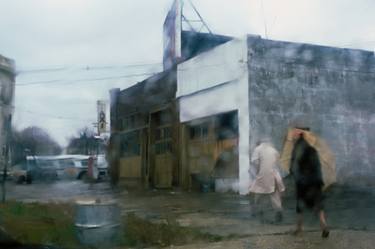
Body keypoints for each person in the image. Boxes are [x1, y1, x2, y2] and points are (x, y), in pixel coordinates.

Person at [290, 132, 330, 238]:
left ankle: (299, 229)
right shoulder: (313, 150)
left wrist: (297, 179)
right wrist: (320, 181)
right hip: (316, 182)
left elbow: (294, 169)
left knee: (300, 206)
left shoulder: (298, 152)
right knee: (319, 205)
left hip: (304, 183)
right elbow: (318, 167)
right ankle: (324, 226)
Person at [249, 139, 285, 222]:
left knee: (257, 193)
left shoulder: (257, 149)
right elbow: (278, 163)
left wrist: (258, 170)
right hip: (273, 175)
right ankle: (278, 211)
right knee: (274, 195)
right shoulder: (273, 150)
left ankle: (257, 210)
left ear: (259, 143)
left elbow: (255, 162)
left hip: (262, 175)